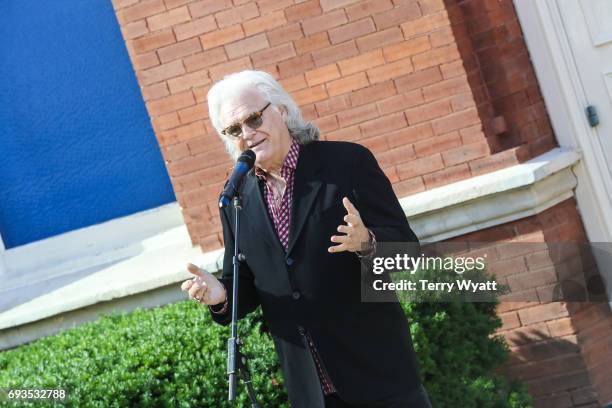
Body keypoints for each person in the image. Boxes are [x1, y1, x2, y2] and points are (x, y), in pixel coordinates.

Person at [181, 70, 431, 408]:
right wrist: (220, 295)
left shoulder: (347, 163)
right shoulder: (237, 199)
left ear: (281, 110)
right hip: (311, 389)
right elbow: (250, 287)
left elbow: (408, 251)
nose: (247, 134)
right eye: (234, 129)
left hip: (379, 374)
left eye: (254, 118)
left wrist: (366, 243)